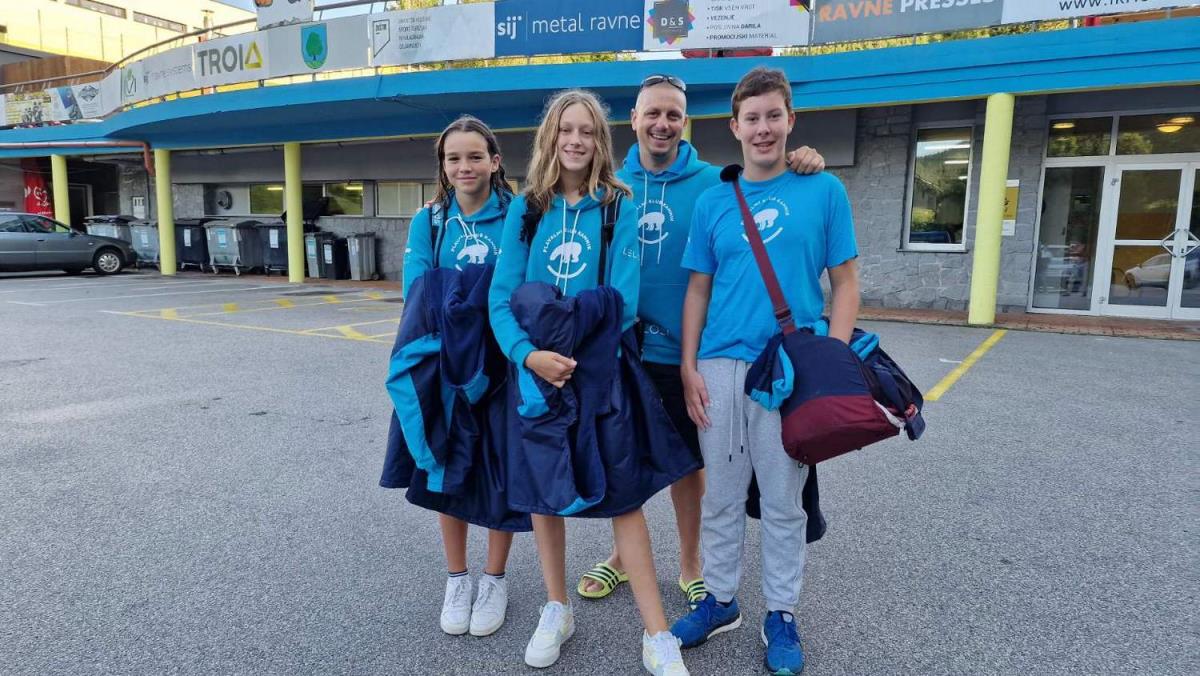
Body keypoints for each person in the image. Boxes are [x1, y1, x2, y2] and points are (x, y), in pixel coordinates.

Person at [576, 73, 826, 604]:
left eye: (672, 114)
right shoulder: (609, 186)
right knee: (625, 455)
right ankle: (623, 556)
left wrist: (804, 159)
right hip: (623, 349)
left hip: (685, 352)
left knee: (689, 464)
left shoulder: (717, 185)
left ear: (684, 122)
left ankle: (691, 563)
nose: (661, 123)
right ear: (634, 120)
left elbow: (768, 181)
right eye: (652, 113)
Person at [488, 89, 693, 676]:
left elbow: (622, 301)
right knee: (543, 497)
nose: (575, 140)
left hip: (598, 374)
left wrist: (567, 350)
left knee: (622, 499)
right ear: (549, 137)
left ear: (600, 140)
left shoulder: (616, 205)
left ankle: (657, 634)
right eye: (565, 129)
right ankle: (557, 608)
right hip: (536, 378)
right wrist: (531, 356)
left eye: (586, 130)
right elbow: (501, 298)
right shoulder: (526, 209)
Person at [671, 67, 861, 675]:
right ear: (734, 127)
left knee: (783, 501)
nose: (763, 128)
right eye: (751, 118)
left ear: (790, 120)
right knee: (722, 497)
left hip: (789, 368)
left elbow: (846, 283)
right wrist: (688, 366)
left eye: (773, 116)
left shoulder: (823, 189)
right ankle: (720, 599)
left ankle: (780, 611)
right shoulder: (713, 201)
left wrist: (830, 362)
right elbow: (697, 290)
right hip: (720, 365)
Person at [383, 115, 528, 639]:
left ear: (495, 161)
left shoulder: (519, 214)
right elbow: (418, 296)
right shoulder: (430, 221)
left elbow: (521, 289)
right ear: (442, 166)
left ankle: (495, 578)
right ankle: (457, 578)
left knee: (500, 472)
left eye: (474, 156)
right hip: (445, 368)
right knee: (444, 471)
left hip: (502, 365)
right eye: (453, 158)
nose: (464, 166)